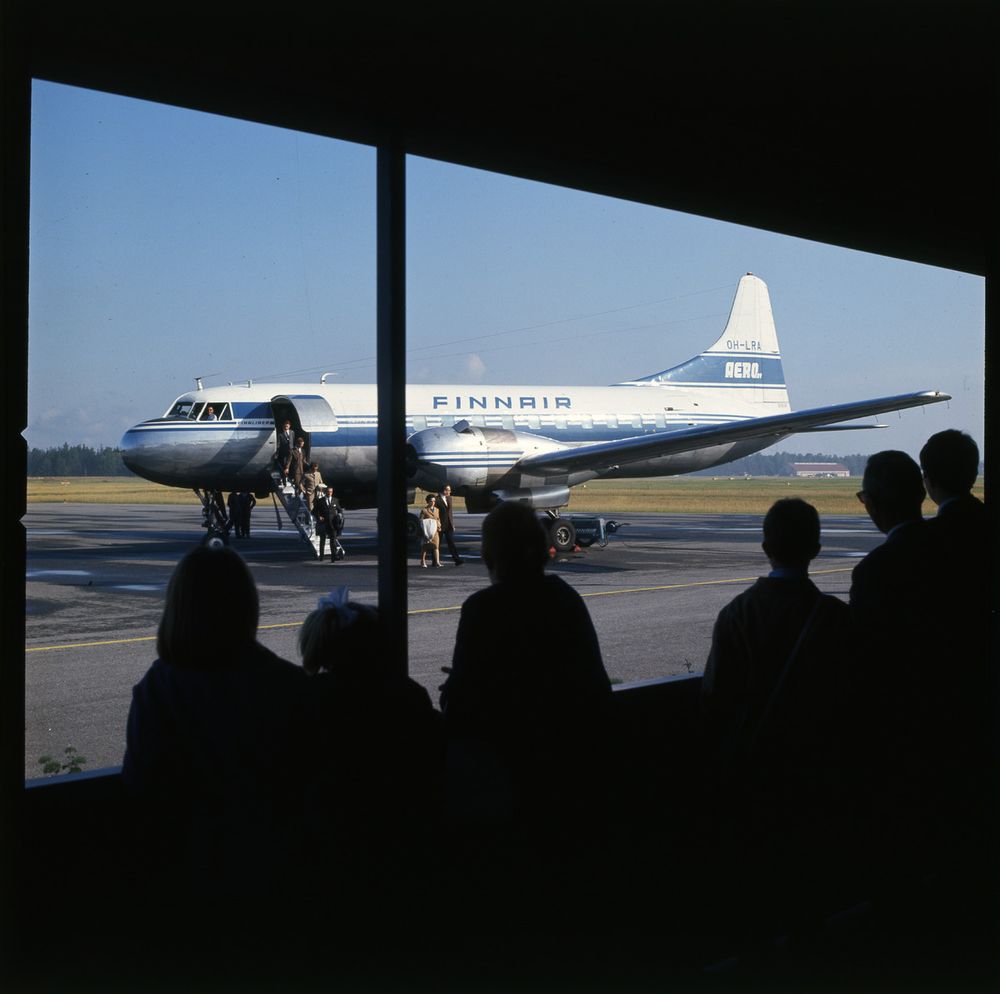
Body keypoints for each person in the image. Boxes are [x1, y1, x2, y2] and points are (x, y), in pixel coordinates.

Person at [701, 498, 854, 938]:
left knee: (757, 906)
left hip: (755, 778)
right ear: (817, 549)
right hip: (818, 778)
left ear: (765, 546)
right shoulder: (836, 619)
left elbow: (714, 702)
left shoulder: (736, 615)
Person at [121, 546, 308, 907]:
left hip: (184, 883)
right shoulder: (290, 685)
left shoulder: (158, 689)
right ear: (248, 605)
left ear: (177, 607)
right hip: (276, 882)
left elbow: (140, 789)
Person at [440, 502, 612, 874]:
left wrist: (453, 684)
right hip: (574, 775)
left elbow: (462, 708)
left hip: (511, 779)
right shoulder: (566, 598)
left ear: (489, 554)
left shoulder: (483, 609)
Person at [313, 485, 344, 562]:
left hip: (333, 524)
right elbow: (314, 511)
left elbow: (340, 510)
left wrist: (339, 516)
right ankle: (321, 557)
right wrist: (318, 517)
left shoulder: (335, 500)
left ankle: (333, 558)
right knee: (322, 541)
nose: (330, 493)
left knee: (333, 541)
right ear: (325, 492)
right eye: (328, 492)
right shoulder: (320, 501)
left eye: (331, 492)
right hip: (324, 523)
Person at [437, 484, 464, 565]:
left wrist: (452, 524)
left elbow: (450, 513)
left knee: (451, 543)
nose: (450, 492)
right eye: (448, 490)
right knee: (437, 544)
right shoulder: (436, 499)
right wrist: (437, 523)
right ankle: (435, 561)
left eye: (450, 490)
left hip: (448, 525)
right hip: (440, 525)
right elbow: (435, 513)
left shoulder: (449, 498)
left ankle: (457, 560)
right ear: (444, 490)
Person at [419, 493, 441, 568]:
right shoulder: (424, 510)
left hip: (435, 531)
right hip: (427, 531)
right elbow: (421, 520)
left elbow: (438, 519)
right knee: (425, 547)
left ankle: (437, 562)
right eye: (431, 501)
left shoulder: (437, 510)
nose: (433, 502)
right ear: (428, 501)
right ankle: (422, 561)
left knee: (436, 547)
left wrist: (439, 526)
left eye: (434, 501)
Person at [275, 419, 294, 486]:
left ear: (289, 426)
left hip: (291, 451)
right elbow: (278, 444)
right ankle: (284, 480)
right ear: (283, 426)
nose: (286, 427)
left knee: (290, 465)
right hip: (283, 452)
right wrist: (277, 451)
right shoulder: (280, 434)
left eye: (287, 426)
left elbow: (292, 440)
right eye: (285, 426)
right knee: (284, 465)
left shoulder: (292, 432)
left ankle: (289, 478)